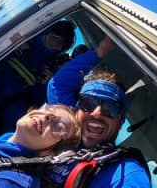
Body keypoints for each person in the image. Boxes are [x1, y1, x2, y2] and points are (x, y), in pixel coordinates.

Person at [47, 36, 151, 187]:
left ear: (120, 121)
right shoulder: (64, 130)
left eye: (111, 108)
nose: (97, 113)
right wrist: (99, 52)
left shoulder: (125, 173)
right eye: (89, 103)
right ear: (76, 110)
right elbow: (58, 85)